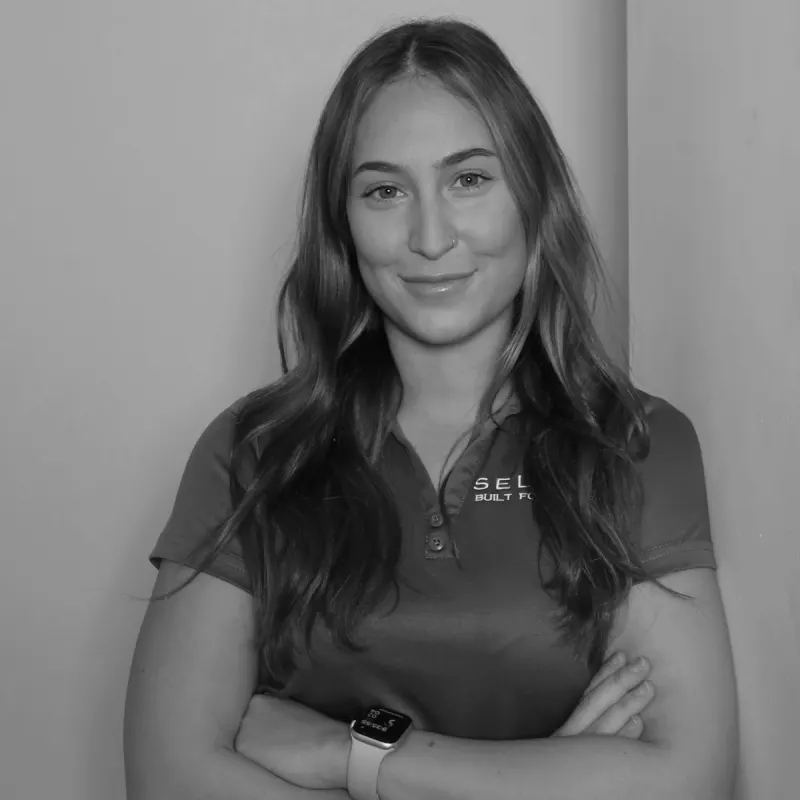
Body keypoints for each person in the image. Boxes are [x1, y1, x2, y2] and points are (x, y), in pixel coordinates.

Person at [123, 16, 738, 800]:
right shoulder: (252, 450)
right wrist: (548, 776)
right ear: (342, 226)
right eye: (384, 191)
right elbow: (168, 780)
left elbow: (687, 783)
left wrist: (359, 758)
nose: (430, 235)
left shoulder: (637, 444)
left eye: (469, 179)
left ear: (534, 196)